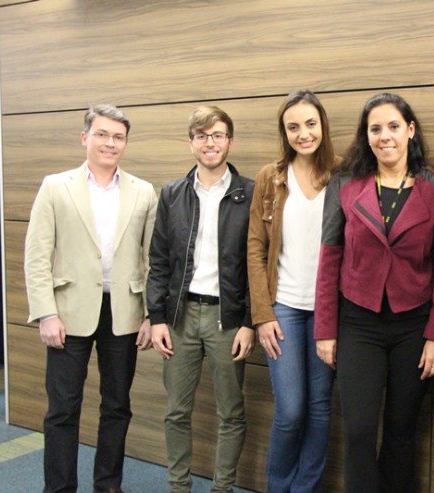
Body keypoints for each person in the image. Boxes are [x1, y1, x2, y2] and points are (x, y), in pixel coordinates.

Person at [314, 92, 434, 493]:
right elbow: (329, 261)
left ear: (410, 130)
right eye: (375, 129)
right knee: (358, 430)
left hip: (415, 327)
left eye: (393, 126)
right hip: (358, 323)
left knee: (401, 431)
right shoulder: (344, 185)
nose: (384, 136)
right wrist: (325, 330)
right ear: (367, 136)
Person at [24, 104, 157, 493]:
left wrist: (151, 314)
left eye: (118, 137)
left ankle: (108, 485)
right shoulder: (55, 186)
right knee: (63, 410)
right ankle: (60, 488)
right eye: (102, 134)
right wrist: (46, 313)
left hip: (124, 314)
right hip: (67, 314)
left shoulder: (143, 192)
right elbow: (37, 255)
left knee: (117, 407)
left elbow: (151, 259)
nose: (109, 143)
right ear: (85, 137)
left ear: (125, 143)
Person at [147, 106, 255, 493]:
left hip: (229, 320)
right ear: (191, 142)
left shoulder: (250, 194)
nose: (211, 143)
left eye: (218, 135)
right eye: (202, 135)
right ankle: (179, 487)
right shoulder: (173, 193)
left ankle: (222, 488)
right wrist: (156, 316)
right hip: (180, 317)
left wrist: (249, 322)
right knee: (176, 412)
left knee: (232, 413)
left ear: (230, 141)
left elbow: (256, 265)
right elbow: (158, 260)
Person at [247, 89, 339, 492]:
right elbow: (254, 246)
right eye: (293, 127)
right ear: (284, 133)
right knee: (291, 410)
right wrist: (262, 314)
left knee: (320, 409)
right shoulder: (272, 176)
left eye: (310, 124)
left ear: (323, 125)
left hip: (328, 311)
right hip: (283, 308)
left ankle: (306, 488)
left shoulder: (344, 174)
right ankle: (279, 487)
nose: (303, 134)